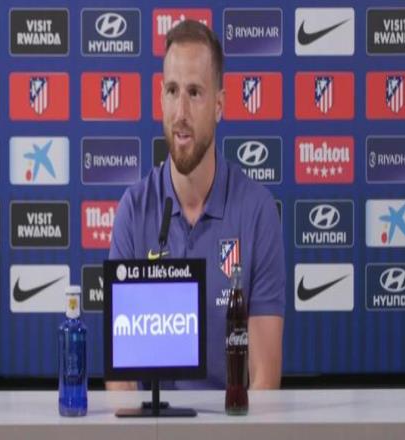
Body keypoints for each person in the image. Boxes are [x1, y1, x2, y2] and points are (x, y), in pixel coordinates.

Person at [107, 20, 285, 390]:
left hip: (234, 420)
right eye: (172, 91)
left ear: (219, 105)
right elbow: (121, 382)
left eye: (194, 92)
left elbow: (264, 378)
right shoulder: (134, 209)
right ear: (160, 98)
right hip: (152, 420)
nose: (180, 113)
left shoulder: (257, 211)